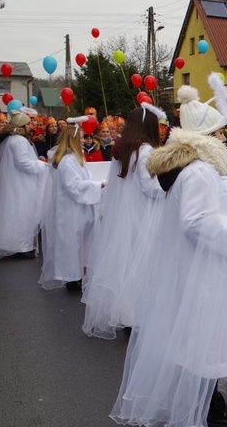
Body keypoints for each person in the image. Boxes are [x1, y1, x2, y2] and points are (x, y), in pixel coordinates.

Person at [111, 83, 227, 427]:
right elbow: (194, 223)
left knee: (203, 339)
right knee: (203, 340)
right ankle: (205, 411)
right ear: (206, 135)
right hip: (203, 273)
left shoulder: (197, 170)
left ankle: (209, 402)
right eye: (220, 131)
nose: (225, 137)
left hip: (202, 269)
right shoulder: (200, 172)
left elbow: (204, 212)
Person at [82, 104, 165, 339]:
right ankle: (134, 316)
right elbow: (150, 187)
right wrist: (171, 187)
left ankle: (125, 313)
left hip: (127, 214)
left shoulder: (125, 148)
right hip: (144, 213)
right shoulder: (146, 150)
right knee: (143, 264)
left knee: (128, 263)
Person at [39, 122, 105, 291]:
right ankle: (71, 277)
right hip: (70, 209)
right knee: (70, 243)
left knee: (80, 242)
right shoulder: (68, 162)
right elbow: (74, 186)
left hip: (79, 208)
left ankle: (80, 274)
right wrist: (98, 185)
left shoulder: (77, 158)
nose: (84, 141)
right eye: (82, 138)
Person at [0, 110, 48, 259]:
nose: (30, 127)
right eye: (28, 124)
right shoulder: (19, 140)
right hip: (20, 184)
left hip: (17, 182)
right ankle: (20, 246)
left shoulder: (12, 140)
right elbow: (23, 162)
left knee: (15, 212)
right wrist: (42, 165)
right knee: (20, 212)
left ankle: (14, 244)